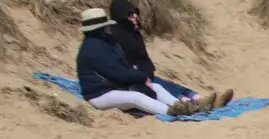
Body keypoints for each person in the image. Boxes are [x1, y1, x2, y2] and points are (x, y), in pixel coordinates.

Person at [76, 9, 215, 117]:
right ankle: (171, 111)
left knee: (155, 86)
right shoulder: (93, 49)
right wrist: (141, 77)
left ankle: (182, 106)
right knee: (136, 97)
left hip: (114, 88)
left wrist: (141, 79)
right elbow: (119, 74)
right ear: (99, 29)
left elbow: (122, 67)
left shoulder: (104, 43)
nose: (108, 29)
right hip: (99, 95)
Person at [108, 0, 231, 109]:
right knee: (167, 90)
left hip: (146, 75)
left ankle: (201, 99)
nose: (135, 16)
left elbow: (143, 58)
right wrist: (141, 77)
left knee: (174, 87)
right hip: (137, 78)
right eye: (130, 14)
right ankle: (195, 104)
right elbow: (127, 61)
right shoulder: (117, 36)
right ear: (121, 16)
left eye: (135, 13)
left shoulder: (133, 33)